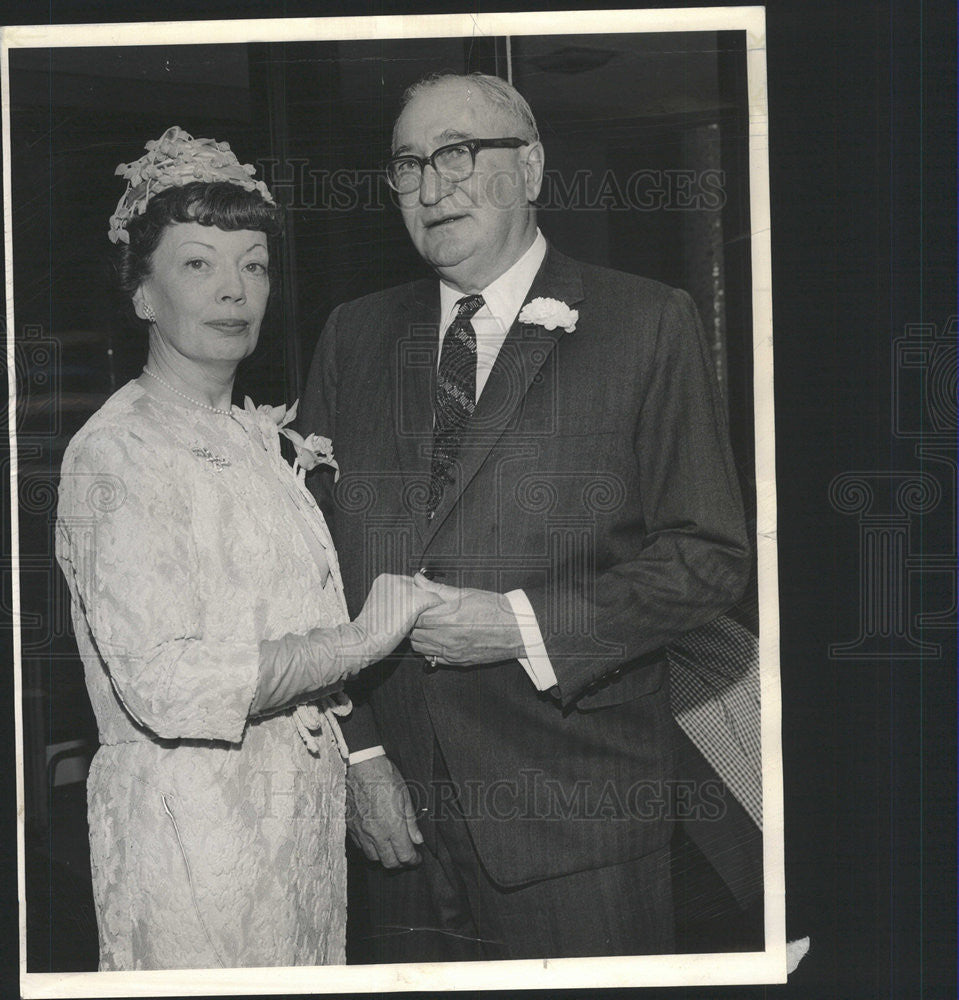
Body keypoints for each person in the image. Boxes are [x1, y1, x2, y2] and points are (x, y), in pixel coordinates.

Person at [301, 74, 751, 962]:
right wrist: (358, 758)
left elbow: (707, 557)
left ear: (533, 166)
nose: (433, 189)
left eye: (459, 154)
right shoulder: (351, 336)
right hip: (394, 816)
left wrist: (518, 626)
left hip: (576, 820)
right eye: (408, 165)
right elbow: (308, 563)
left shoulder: (645, 322)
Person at [54, 126, 440, 970]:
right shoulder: (117, 452)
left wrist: (357, 757)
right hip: (189, 835)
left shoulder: (257, 436)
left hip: (293, 829)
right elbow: (165, 682)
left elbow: (286, 617)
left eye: (253, 265)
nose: (234, 290)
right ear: (143, 295)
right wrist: (362, 639)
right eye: (198, 264)